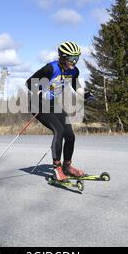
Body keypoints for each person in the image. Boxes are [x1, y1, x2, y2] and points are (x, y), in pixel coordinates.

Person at [26, 41, 93, 182]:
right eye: (71, 58)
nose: (74, 62)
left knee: (70, 135)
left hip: (52, 104)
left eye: (77, 58)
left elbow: (76, 86)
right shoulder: (50, 69)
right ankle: (57, 169)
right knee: (59, 131)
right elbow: (29, 82)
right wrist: (40, 94)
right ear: (62, 57)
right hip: (37, 104)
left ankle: (67, 166)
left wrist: (85, 94)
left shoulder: (73, 70)